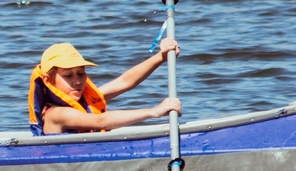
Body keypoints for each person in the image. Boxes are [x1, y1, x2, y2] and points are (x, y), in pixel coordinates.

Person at [28, 41, 182, 136]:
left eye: (81, 74)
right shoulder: (57, 114)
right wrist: (153, 112)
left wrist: (161, 57)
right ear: (48, 80)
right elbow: (101, 121)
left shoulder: (84, 103)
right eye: (68, 76)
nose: (77, 81)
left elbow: (125, 81)